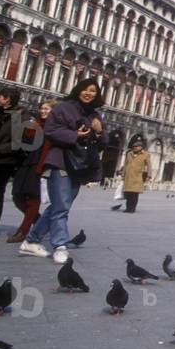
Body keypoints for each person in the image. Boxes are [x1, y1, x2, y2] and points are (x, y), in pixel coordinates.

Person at [20, 78, 108, 264]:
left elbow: (103, 144)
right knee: (61, 207)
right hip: (60, 161)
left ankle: (31, 241)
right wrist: (75, 135)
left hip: (80, 166)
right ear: (78, 90)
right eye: (85, 89)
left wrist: (99, 132)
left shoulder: (95, 115)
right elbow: (50, 131)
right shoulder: (63, 108)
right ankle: (59, 245)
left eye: (93, 90)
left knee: (60, 205)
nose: (88, 93)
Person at [8, 99, 53, 243]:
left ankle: (23, 231)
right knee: (17, 196)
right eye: (41, 108)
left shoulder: (54, 127)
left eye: (46, 109)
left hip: (39, 165)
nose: (43, 111)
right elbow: (23, 139)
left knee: (33, 198)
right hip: (25, 163)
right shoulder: (34, 123)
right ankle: (39, 221)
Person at [0, 87, 27, 229]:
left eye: (0, 96)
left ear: (8, 99)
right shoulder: (1, 113)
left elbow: (16, 143)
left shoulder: (16, 117)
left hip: (4, 162)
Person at [120, 139, 151, 213]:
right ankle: (128, 208)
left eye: (136, 146)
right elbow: (125, 164)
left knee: (134, 193)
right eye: (134, 146)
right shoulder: (129, 154)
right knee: (128, 193)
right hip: (128, 176)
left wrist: (149, 175)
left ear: (141, 147)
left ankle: (132, 208)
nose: (135, 148)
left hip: (137, 176)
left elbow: (149, 166)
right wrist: (123, 174)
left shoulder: (146, 154)